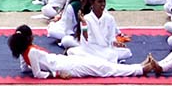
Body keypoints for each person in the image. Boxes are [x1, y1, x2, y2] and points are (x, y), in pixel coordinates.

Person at [8, 25, 152, 78]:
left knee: (100, 63)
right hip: (65, 67)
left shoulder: (26, 52)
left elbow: (24, 68)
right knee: (103, 69)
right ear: (28, 38)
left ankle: (138, 67)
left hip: (64, 61)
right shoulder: (30, 52)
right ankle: (140, 70)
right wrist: (56, 74)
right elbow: (37, 74)